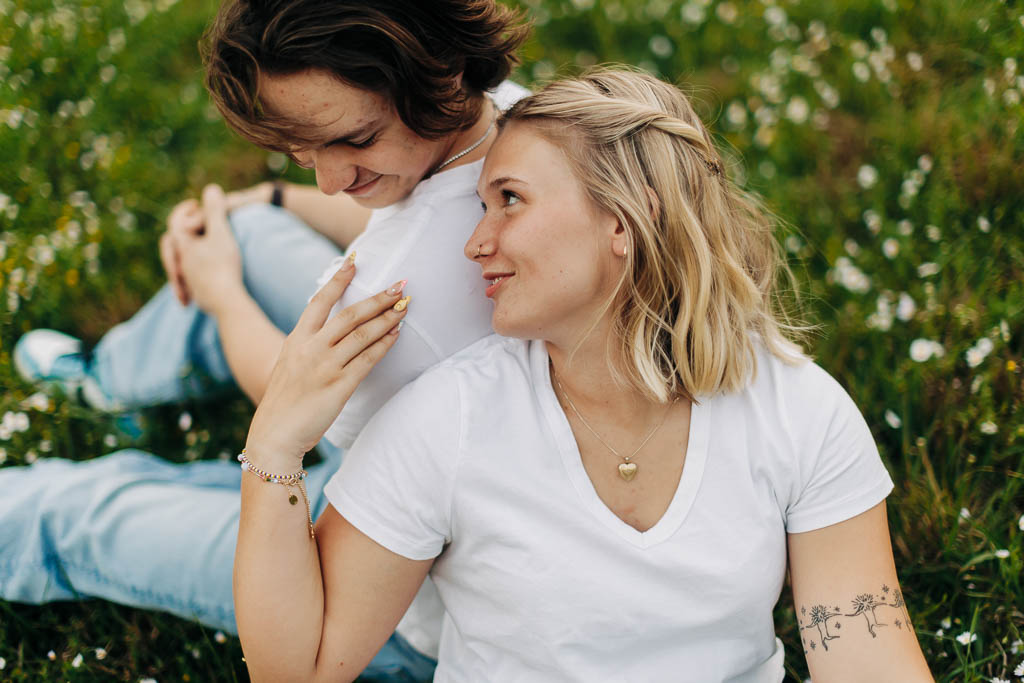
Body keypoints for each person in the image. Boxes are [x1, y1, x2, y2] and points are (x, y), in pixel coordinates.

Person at [235, 68, 935, 681]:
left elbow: (868, 660)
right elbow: (299, 666)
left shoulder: (801, 412)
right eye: (482, 205)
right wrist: (274, 445)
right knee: (125, 501)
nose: (476, 242)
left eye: (509, 199)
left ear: (624, 222)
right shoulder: (446, 417)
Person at [2, 0, 529, 677]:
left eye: (356, 140)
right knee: (245, 236)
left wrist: (221, 292)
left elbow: (289, 395)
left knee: (77, 514)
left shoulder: (401, 297)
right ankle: (107, 384)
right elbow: (406, 217)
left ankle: (74, 468)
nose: (330, 179)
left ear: (444, 72)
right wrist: (265, 203)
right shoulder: (510, 114)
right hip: (434, 470)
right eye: (302, 151)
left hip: (392, 598)